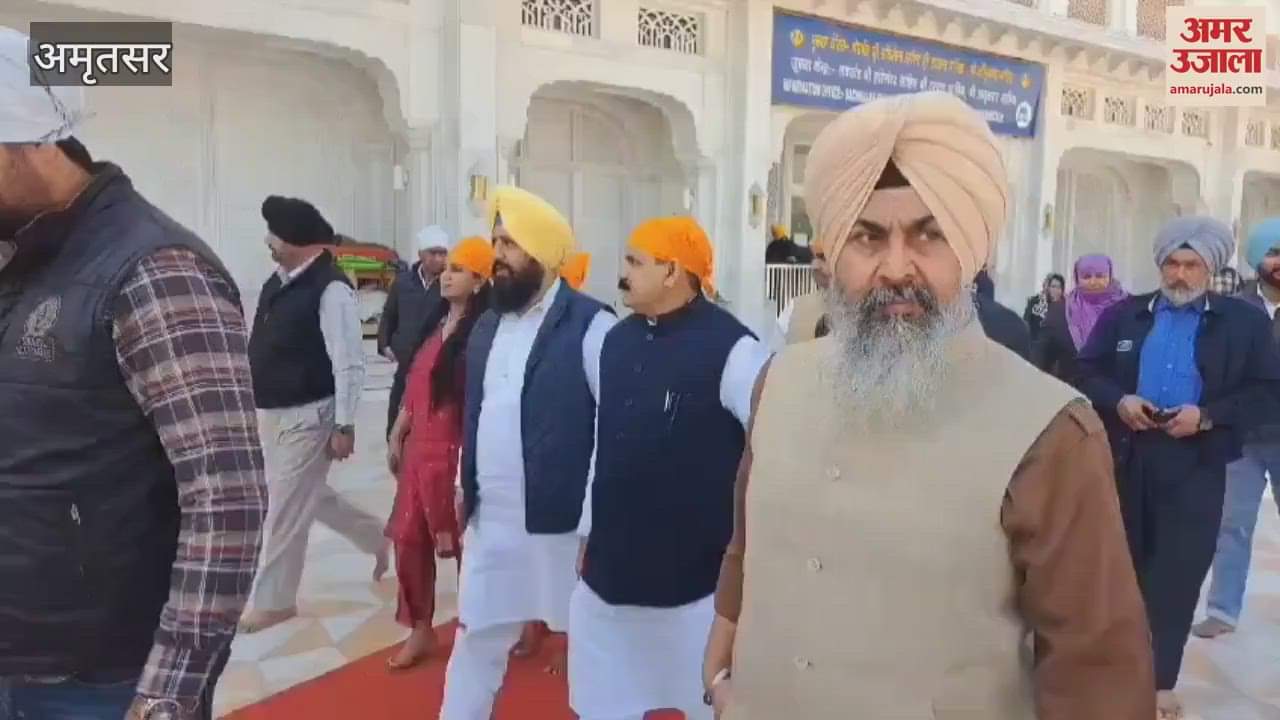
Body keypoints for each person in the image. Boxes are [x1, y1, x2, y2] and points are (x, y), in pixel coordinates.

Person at [703, 91, 1155, 720]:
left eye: (929, 235)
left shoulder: (1050, 432)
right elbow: (748, 543)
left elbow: (1096, 671)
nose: (896, 268)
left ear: (971, 250)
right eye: (867, 237)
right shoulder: (780, 380)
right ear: (832, 254)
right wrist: (720, 671)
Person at [0, 27, 266, 720]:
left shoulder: (156, 271)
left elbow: (226, 499)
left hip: (101, 681)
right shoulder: (21, 257)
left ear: (25, 144)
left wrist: (168, 693)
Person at [1076, 216, 1280, 719]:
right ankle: (1112, 675)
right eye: (1172, 263)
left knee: (1177, 575)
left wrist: (1207, 416)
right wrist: (1119, 400)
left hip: (1198, 463)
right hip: (1128, 457)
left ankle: (1159, 682)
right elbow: (1085, 370)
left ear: (1210, 269)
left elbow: (1265, 391)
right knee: (1120, 572)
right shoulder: (1125, 315)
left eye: (1191, 265)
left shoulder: (1243, 323)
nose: (1180, 274)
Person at [569, 217, 770, 720]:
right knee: (599, 705)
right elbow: (605, 441)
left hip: (695, 590)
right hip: (609, 580)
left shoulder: (734, 348)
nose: (623, 274)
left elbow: (773, 447)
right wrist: (588, 527)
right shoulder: (615, 341)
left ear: (673, 272)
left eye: (635, 262)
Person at [438, 186, 617, 720]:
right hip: (492, 521)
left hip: (562, 525)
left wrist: (593, 523)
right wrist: (463, 483)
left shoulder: (592, 324)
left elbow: (613, 428)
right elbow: (477, 412)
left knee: (592, 647)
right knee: (476, 636)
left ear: (542, 250)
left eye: (511, 243)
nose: (497, 255)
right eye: (496, 241)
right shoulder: (488, 323)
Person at [239, 196, 389, 634]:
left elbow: (349, 362)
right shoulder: (278, 281)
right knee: (304, 495)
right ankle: (377, 536)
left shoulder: (332, 289)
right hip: (273, 412)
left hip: (310, 415)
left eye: (275, 235)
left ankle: (275, 602)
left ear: (298, 240)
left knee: (284, 509)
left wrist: (344, 424)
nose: (268, 242)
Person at [385, 237, 494, 670]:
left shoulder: (485, 334)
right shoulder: (435, 325)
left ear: (480, 281)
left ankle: (482, 625)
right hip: (419, 451)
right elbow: (416, 384)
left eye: (459, 270)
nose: (447, 276)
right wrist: (398, 430)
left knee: (469, 543)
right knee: (408, 540)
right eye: (447, 268)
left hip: (456, 453)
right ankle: (420, 627)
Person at [1192, 217, 1280, 640]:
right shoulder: (1234, 310)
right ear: (1257, 257)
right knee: (1233, 525)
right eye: (1274, 252)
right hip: (1243, 436)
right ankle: (1222, 611)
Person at [379, 225, 450, 436]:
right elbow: (389, 314)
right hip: (405, 362)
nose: (438, 258)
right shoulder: (403, 283)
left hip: (435, 365)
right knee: (396, 417)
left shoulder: (449, 284)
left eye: (443, 253)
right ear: (420, 254)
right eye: (433, 253)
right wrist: (384, 345)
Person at [1033, 254, 1127, 383]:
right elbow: (1040, 360)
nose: (1093, 282)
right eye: (1086, 277)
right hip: (1072, 392)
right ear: (1077, 278)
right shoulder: (1060, 312)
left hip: (1119, 393)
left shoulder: (1128, 308)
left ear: (1110, 276)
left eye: (1100, 276)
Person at [774, 235, 830, 346]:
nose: (816, 265)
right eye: (816, 258)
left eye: (822, 258)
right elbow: (777, 349)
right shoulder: (793, 306)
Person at [1023, 272, 1065, 340]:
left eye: (1059, 287)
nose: (1056, 290)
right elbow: (1025, 325)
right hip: (1033, 342)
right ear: (1046, 287)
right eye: (1053, 286)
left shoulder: (1065, 308)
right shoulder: (1034, 302)